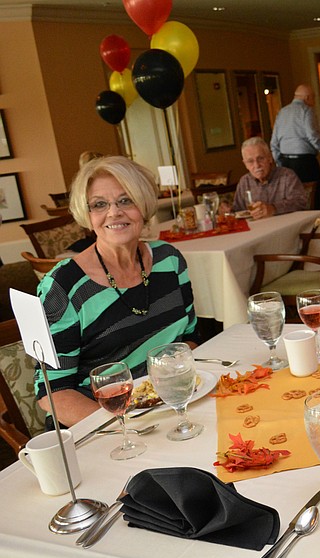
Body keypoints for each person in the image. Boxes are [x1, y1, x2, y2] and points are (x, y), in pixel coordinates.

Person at [35, 156, 200, 428]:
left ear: (144, 206)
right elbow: (54, 393)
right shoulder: (63, 287)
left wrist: (174, 395)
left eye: (126, 200)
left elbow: (190, 340)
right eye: (100, 204)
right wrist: (126, 428)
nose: (114, 212)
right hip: (100, 427)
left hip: (169, 409)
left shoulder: (169, 260)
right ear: (87, 215)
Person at [269, 84, 320, 184]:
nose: (314, 102)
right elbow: (312, 136)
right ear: (307, 98)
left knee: (290, 196)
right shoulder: (307, 110)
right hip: (304, 163)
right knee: (311, 194)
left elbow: (274, 141)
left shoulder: (282, 112)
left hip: (285, 162)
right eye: (313, 98)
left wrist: (278, 162)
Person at [234, 137, 308, 219]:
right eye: (250, 161)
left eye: (260, 158)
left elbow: (300, 202)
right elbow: (238, 210)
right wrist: (228, 210)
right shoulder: (244, 182)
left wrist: (273, 209)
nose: (257, 165)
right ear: (245, 164)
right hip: (258, 229)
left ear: (270, 158)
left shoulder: (287, 175)